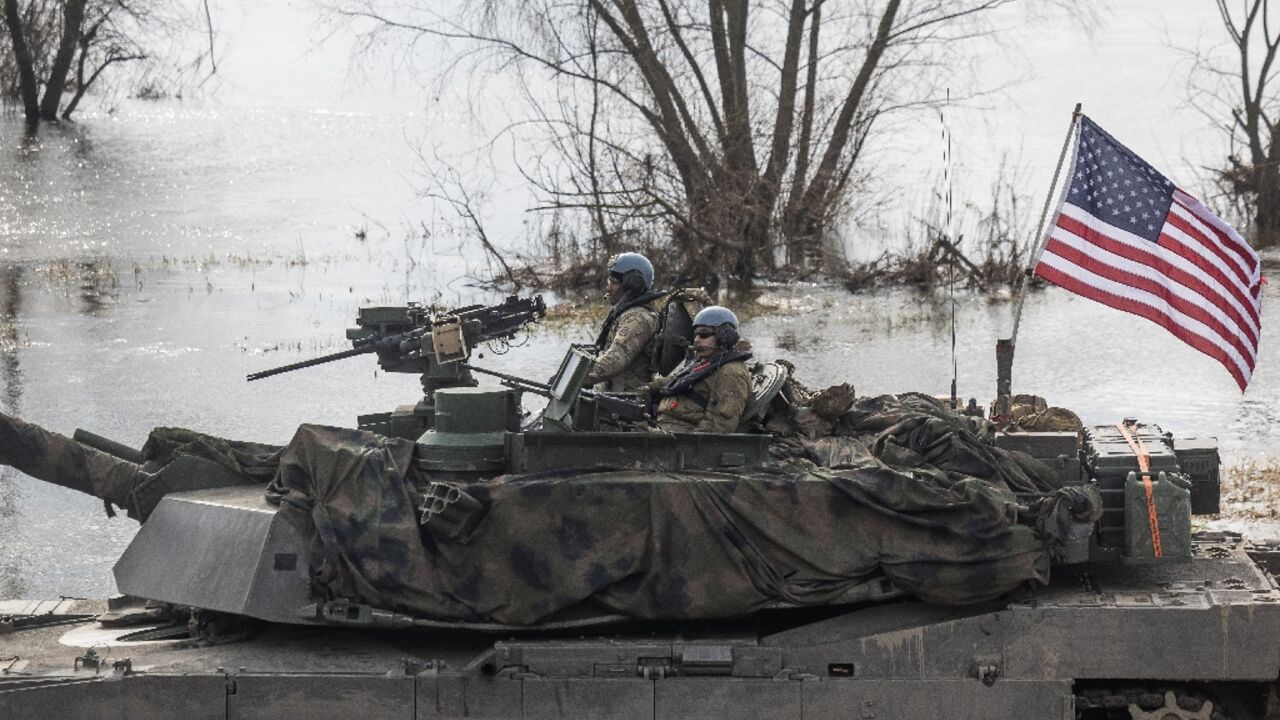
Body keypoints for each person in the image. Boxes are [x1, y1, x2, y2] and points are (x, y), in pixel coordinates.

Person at [649, 305, 752, 433]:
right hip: (664, 426)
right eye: (695, 334)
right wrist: (649, 389)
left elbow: (718, 426)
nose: (696, 340)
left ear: (724, 337)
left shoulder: (730, 373)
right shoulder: (704, 362)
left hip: (681, 439)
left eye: (703, 334)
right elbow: (676, 381)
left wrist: (675, 440)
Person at [583, 252, 666, 393]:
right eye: (609, 282)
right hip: (610, 396)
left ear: (633, 285)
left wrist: (576, 378)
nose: (608, 288)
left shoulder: (637, 318)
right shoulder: (625, 313)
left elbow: (615, 360)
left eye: (614, 283)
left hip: (626, 402)